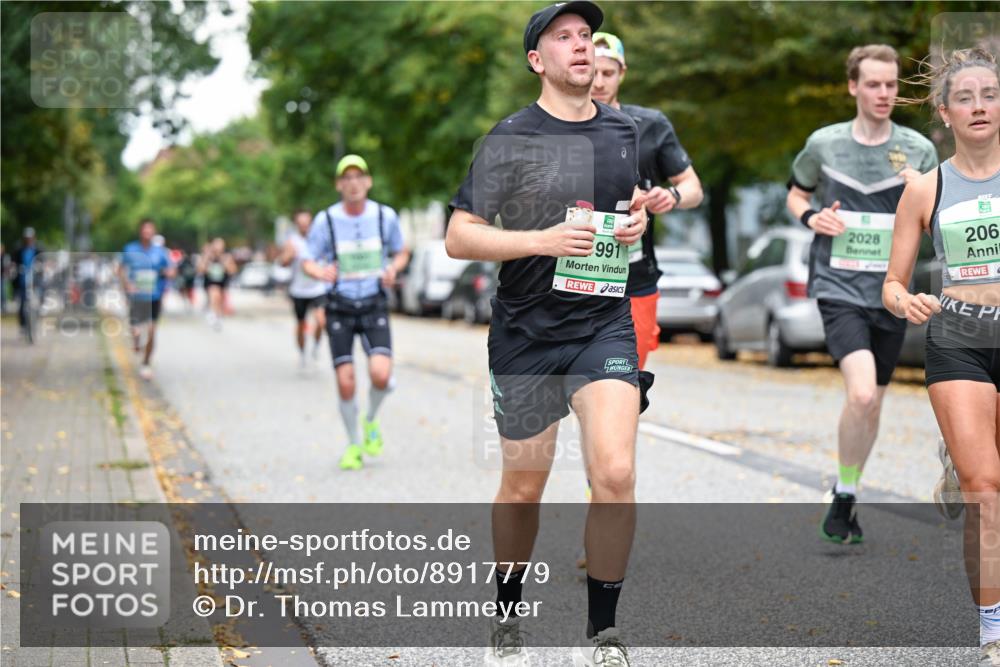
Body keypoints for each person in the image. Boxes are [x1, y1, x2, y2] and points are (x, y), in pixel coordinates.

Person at [446, 3, 649, 665]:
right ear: (538, 60)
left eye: (586, 36)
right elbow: (458, 236)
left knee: (614, 472)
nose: (580, 46)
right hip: (526, 333)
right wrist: (537, 239)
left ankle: (603, 633)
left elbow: (620, 218)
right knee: (524, 485)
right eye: (563, 38)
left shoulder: (623, 132)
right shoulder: (510, 138)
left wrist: (636, 227)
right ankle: (506, 614)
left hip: (602, 324)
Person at [785, 44, 938, 544]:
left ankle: (847, 493)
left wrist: (925, 193)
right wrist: (812, 218)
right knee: (863, 391)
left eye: (891, 85)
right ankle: (846, 495)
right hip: (838, 286)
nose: (884, 94)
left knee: (874, 404)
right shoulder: (825, 144)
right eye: (873, 84)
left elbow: (940, 220)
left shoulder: (918, 150)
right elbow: (795, 192)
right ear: (853, 86)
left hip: (892, 292)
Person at [882, 47, 1000, 665]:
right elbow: (892, 283)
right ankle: (993, 630)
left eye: (989, 94)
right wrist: (907, 303)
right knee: (987, 488)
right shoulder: (926, 189)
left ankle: (957, 458)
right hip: (959, 338)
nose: (978, 106)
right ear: (944, 111)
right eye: (965, 97)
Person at [591, 30, 704, 368]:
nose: (598, 82)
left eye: (608, 73)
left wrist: (670, 196)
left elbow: (693, 188)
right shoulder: (557, 127)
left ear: (622, 73)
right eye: (592, 72)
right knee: (583, 386)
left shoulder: (650, 125)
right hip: (573, 275)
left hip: (634, 277)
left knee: (625, 383)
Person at [302, 155, 409, 471]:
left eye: (358, 176)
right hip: (340, 307)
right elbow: (308, 259)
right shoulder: (327, 220)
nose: (352, 183)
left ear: (368, 181)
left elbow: (401, 252)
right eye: (345, 177)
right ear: (339, 185)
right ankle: (353, 445)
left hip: (374, 302)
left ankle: (371, 419)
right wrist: (319, 272)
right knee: (346, 382)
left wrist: (393, 269)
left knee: (381, 374)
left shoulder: (384, 216)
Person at [118, 219, 175, 380]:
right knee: (136, 330)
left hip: (154, 296)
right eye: (145, 230)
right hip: (136, 296)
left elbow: (171, 269)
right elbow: (121, 270)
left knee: (151, 331)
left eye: (151, 230)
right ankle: (136, 343)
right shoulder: (130, 249)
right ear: (140, 231)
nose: (148, 233)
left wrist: (168, 273)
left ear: (154, 232)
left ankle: (146, 363)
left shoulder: (160, 251)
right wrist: (127, 285)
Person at [279, 208, 328, 369]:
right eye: (301, 224)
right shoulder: (292, 242)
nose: (305, 227)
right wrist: (290, 255)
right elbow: (282, 263)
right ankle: (302, 352)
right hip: (299, 290)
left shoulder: (319, 240)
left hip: (318, 288)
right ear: (296, 225)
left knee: (321, 320)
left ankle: (316, 345)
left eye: (307, 223)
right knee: (301, 325)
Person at [198, 237, 237, 330]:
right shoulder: (208, 257)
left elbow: (233, 270)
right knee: (214, 294)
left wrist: (226, 265)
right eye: (217, 245)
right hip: (210, 282)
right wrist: (206, 261)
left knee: (219, 300)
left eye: (220, 245)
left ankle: (218, 317)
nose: (218, 247)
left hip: (222, 282)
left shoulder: (227, 257)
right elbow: (200, 269)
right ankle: (212, 313)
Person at [12, 227, 41, 337]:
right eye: (27, 238)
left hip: (35, 282)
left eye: (30, 238)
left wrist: (42, 266)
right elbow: (13, 262)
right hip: (23, 282)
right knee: (22, 304)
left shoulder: (38, 249)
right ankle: (23, 326)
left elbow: (44, 260)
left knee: (38, 301)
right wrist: (14, 267)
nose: (29, 240)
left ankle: (35, 322)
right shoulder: (19, 250)